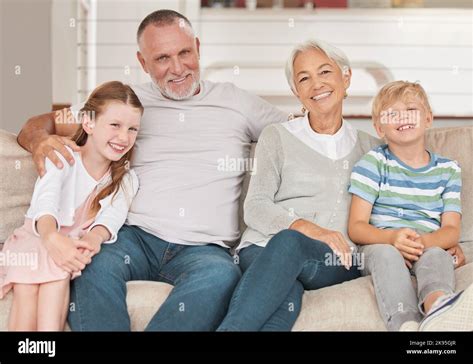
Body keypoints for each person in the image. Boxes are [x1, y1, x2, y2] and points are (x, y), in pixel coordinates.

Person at [16, 9, 288, 331]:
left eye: (184, 53)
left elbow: (300, 134)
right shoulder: (126, 105)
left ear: (197, 48)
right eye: (161, 58)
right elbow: (39, 124)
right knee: (90, 264)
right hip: (134, 238)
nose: (177, 68)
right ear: (143, 63)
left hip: (206, 250)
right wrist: (40, 142)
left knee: (223, 277)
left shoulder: (237, 102)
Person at [217, 40, 467, 331]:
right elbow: (256, 207)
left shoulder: (374, 151)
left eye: (325, 72)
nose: (316, 84)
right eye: (304, 78)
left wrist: (445, 245)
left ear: (345, 78)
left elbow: (403, 204)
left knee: (290, 248)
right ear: (296, 92)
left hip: (333, 260)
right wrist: (311, 229)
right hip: (263, 247)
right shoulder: (276, 136)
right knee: (285, 298)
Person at [0, 81, 142, 330]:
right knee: (27, 292)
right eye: (115, 125)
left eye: (132, 129)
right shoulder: (63, 157)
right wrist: (52, 238)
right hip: (37, 237)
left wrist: (93, 240)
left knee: (56, 280)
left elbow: (111, 219)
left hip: (68, 248)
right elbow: (45, 204)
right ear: (88, 123)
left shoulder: (127, 178)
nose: (124, 137)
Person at [347, 80, 473, 331]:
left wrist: (419, 245)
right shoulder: (373, 163)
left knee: (438, 254)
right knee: (387, 254)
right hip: (379, 245)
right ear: (379, 126)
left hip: (425, 244)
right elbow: (356, 227)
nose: (402, 117)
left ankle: (438, 308)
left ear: (428, 118)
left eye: (411, 110)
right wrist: (393, 239)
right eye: (391, 113)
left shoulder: (448, 170)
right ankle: (405, 324)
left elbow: (451, 230)